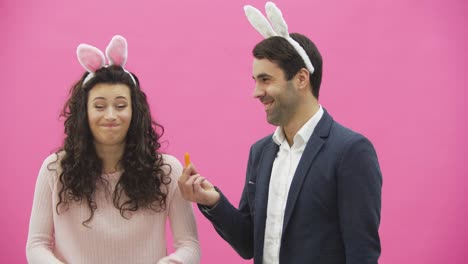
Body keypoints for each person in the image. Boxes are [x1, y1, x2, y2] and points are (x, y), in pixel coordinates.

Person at [178, 2, 382, 264]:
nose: (256, 92)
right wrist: (212, 201)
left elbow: (362, 255)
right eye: (255, 81)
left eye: (266, 79)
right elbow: (248, 244)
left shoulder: (351, 151)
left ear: (300, 78)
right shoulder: (261, 152)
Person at [26, 35, 200, 264]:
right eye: (99, 106)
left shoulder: (167, 170)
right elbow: (37, 244)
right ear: (84, 113)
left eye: (120, 106)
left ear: (135, 112)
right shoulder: (55, 169)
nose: (110, 116)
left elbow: (190, 245)